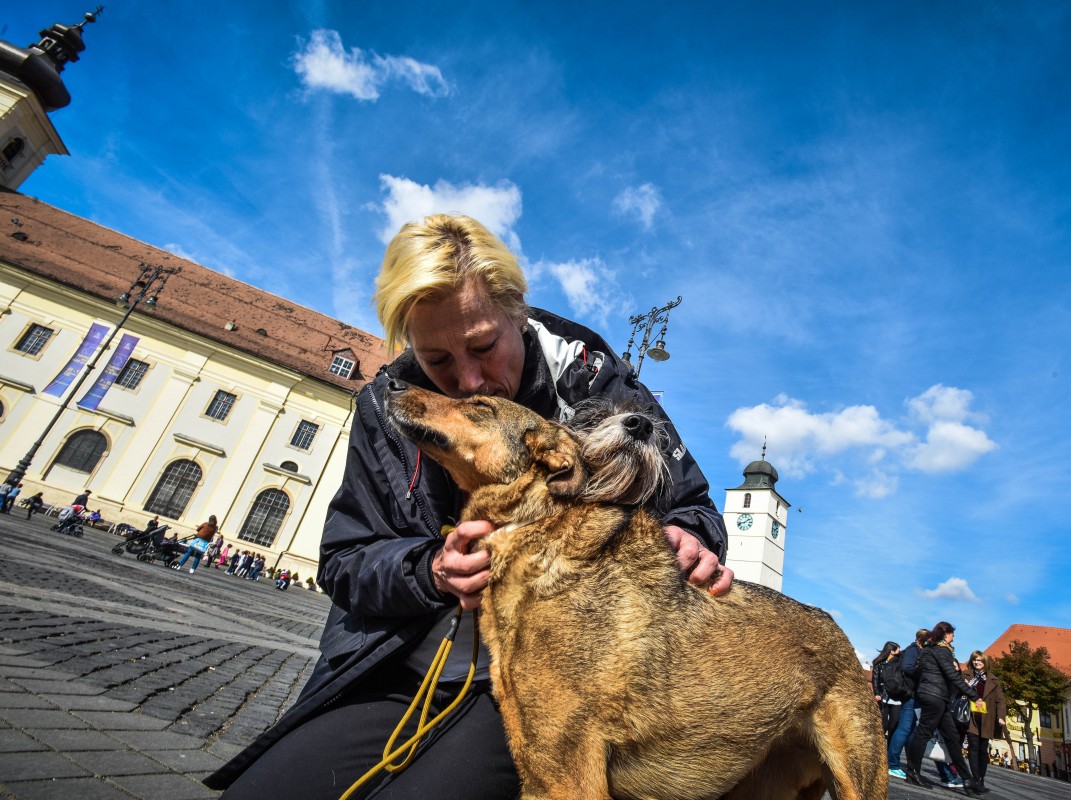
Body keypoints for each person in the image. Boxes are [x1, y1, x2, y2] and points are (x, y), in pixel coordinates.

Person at [206, 213, 732, 797]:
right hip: (392, 665)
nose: (471, 379)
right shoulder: (388, 406)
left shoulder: (592, 381)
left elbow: (692, 507)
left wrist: (688, 539)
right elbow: (345, 560)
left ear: (518, 314)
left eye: (484, 345)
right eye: (438, 361)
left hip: (540, 677)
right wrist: (429, 570)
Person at [905, 621, 982, 794]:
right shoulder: (943, 652)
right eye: (952, 635)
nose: (953, 638)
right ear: (945, 634)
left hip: (933, 695)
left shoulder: (927, 650)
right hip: (935, 696)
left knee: (952, 737)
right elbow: (953, 676)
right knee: (924, 732)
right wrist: (974, 696)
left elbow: (919, 672)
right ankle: (912, 772)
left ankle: (968, 780)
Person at [885, 628, 927, 779]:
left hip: (912, 693)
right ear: (922, 640)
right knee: (904, 728)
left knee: (910, 728)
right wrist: (922, 673)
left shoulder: (915, 650)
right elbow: (907, 668)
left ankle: (908, 763)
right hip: (909, 693)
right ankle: (893, 764)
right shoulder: (913, 650)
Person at [965, 650, 1007, 794]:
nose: (977, 662)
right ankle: (975, 779)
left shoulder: (993, 680)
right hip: (971, 717)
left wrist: (1001, 717)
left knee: (983, 751)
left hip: (986, 719)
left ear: (985, 663)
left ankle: (981, 778)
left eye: (980, 661)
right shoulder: (966, 675)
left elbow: (1000, 701)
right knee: (973, 747)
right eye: (975, 660)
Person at [871, 641, 903, 746]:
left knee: (893, 726)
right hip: (883, 698)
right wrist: (877, 693)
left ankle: (889, 751)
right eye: (898, 650)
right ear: (892, 651)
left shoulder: (899, 663)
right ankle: (878, 748)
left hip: (896, 699)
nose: (900, 652)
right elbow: (875, 679)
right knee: (882, 725)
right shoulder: (879, 663)